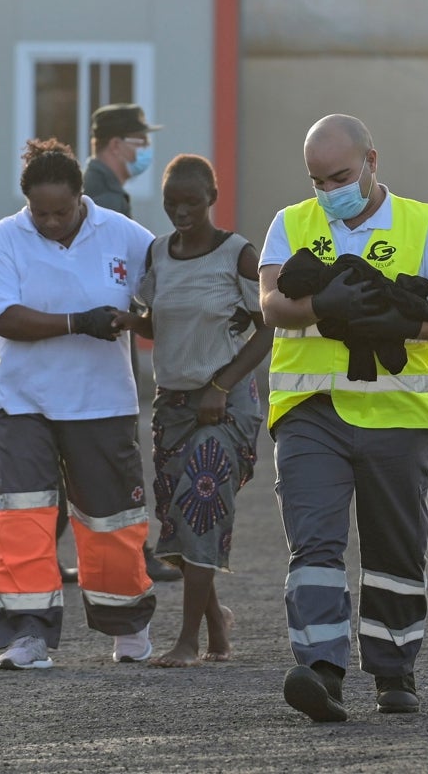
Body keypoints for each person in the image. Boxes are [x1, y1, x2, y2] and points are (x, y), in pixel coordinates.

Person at [258, 114, 428, 721]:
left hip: (396, 415)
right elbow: (271, 304)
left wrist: (406, 324)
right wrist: (319, 304)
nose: (329, 192)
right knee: (314, 547)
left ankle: (394, 672)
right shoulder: (290, 223)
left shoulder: (422, 223)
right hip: (310, 413)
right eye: (317, 180)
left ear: (372, 161)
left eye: (341, 176)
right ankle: (321, 671)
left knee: (396, 549)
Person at [0, 138, 157, 670]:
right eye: (40, 213)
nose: (50, 222)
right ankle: (25, 635)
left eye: (61, 211)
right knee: (24, 518)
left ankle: (127, 625)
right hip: (20, 401)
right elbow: (2, 317)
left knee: (112, 523)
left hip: (101, 402)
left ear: (83, 197)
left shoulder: (124, 235)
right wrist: (79, 322)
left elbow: (165, 299)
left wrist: (134, 321)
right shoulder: (5, 239)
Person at [113, 154, 273, 667]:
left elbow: (267, 327)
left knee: (201, 506)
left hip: (224, 406)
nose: (181, 212)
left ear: (212, 199)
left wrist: (222, 385)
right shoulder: (159, 255)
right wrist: (128, 321)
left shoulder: (238, 254)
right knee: (180, 525)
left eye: (191, 202)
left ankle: (188, 642)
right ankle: (219, 630)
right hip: (174, 406)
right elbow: (161, 323)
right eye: (171, 204)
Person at [67, 102, 181, 585]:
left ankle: (85, 554)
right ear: (116, 145)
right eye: (140, 142)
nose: (146, 152)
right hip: (99, 344)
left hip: (95, 342)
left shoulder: (103, 189)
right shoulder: (102, 196)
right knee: (112, 454)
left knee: (77, 457)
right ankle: (133, 555)